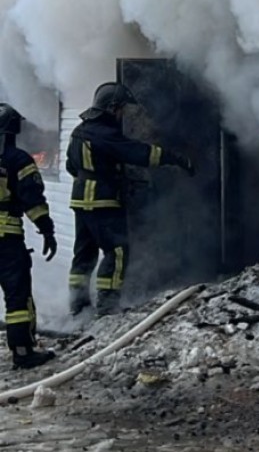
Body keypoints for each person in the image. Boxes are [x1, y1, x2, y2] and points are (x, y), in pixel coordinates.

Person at [66, 82, 194, 316]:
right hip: (102, 202)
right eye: (122, 108)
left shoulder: (79, 131)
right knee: (117, 251)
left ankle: (78, 304)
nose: (122, 113)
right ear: (112, 107)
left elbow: (70, 166)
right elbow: (141, 153)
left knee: (84, 253)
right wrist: (176, 158)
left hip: (79, 202)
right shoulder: (106, 134)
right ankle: (107, 305)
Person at [0, 103, 58, 369]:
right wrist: (47, 230)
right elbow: (32, 200)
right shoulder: (19, 160)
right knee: (17, 297)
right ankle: (23, 352)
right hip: (6, 241)